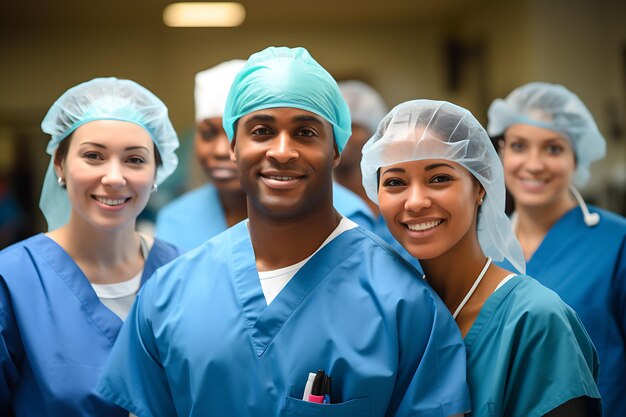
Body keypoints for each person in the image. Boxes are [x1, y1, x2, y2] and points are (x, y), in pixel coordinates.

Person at [96, 47, 470, 417]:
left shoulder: (403, 304)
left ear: (337, 148)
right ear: (232, 146)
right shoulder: (167, 295)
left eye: (306, 132)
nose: (282, 151)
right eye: (261, 131)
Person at [361, 99, 601, 416]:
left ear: (480, 186)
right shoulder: (393, 316)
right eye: (395, 182)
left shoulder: (536, 320)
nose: (416, 201)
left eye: (439, 178)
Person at [0, 77, 181, 417]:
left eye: (135, 159)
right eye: (94, 156)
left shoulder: (182, 273)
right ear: (59, 165)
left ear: (157, 171)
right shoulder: (12, 281)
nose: (114, 177)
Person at [487, 82, 626, 417]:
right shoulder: (484, 244)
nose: (534, 165)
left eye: (553, 149)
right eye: (519, 146)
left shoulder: (617, 242)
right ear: (501, 150)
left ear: (576, 157)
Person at [155, 60, 247, 252]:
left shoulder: (324, 210)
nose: (221, 151)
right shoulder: (176, 220)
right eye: (208, 134)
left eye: (236, 134)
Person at [334, 80, 420, 269]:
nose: (345, 135)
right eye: (338, 126)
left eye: (354, 126)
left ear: (375, 135)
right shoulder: (320, 204)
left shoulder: (400, 198)